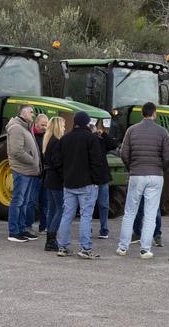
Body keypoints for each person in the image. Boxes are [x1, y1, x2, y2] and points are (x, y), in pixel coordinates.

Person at [116, 102, 169, 259]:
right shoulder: (162, 132)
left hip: (136, 174)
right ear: (154, 114)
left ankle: (123, 247)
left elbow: (124, 154)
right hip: (155, 175)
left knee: (129, 212)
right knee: (150, 213)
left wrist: (131, 168)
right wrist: (160, 168)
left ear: (142, 114)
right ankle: (145, 249)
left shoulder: (131, 130)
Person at [56, 111, 107, 259]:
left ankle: (63, 247)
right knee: (86, 216)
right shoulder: (92, 139)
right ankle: (85, 248)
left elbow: (58, 161)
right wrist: (96, 181)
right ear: (87, 122)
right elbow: (97, 162)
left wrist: (64, 176)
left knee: (67, 215)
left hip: (69, 183)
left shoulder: (65, 139)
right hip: (87, 184)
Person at [6, 105, 41, 242]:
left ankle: (22, 229)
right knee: (18, 201)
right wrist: (33, 160)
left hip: (29, 171)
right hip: (21, 170)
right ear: (23, 112)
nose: (33, 114)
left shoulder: (25, 127)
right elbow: (17, 151)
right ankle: (13, 232)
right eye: (31, 112)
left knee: (25, 202)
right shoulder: (16, 128)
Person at [41, 116, 66, 251]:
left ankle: (49, 239)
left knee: (52, 209)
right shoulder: (57, 141)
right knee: (60, 209)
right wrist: (65, 176)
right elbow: (58, 163)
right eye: (63, 125)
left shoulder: (48, 140)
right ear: (58, 126)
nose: (64, 128)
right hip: (56, 179)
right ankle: (51, 238)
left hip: (49, 178)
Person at [94, 122, 117, 240]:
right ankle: (89, 228)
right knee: (89, 206)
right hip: (92, 179)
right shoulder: (88, 141)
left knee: (104, 205)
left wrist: (103, 134)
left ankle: (104, 229)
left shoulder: (101, 140)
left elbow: (113, 145)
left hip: (102, 177)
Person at [30, 113, 50, 234]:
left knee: (45, 202)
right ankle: (28, 225)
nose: (44, 127)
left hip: (46, 174)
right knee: (31, 202)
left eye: (46, 125)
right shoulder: (30, 136)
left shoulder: (47, 137)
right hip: (33, 174)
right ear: (36, 123)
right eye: (42, 125)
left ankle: (44, 226)